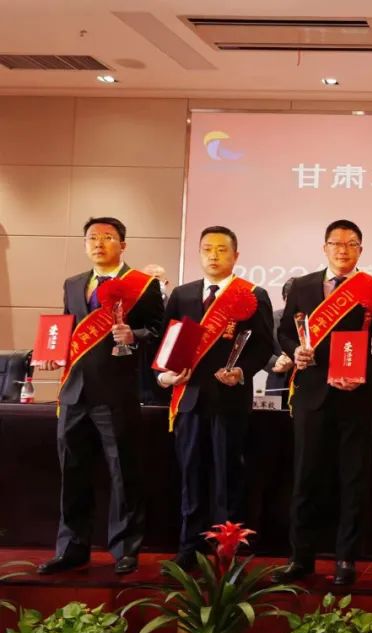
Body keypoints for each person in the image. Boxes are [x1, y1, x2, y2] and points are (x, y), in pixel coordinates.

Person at [272, 220, 372, 586]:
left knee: (353, 478)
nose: (343, 250)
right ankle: (301, 558)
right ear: (324, 247)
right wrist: (294, 351)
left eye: (351, 244)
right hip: (312, 394)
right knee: (306, 477)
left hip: (356, 397)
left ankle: (346, 559)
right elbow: (284, 331)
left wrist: (365, 373)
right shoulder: (302, 285)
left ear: (361, 249)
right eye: (336, 243)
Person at [37, 216, 163, 575]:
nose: (98, 243)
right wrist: (52, 354)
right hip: (74, 392)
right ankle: (71, 548)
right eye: (92, 238)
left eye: (107, 237)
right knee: (73, 472)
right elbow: (65, 330)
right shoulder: (74, 284)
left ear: (123, 245)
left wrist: (135, 335)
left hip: (116, 392)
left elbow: (158, 330)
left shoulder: (143, 285)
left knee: (124, 472)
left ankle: (125, 549)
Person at [155, 226, 274, 571]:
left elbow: (263, 346)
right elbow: (165, 342)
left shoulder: (253, 294)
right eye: (207, 249)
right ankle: (188, 547)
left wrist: (242, 371)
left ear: (236, 255)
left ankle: (228, 547)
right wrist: (164, 375)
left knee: (228, 476)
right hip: (189, 399)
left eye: (222, 250)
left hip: (229, 399)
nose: (213, 255)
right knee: (190, 476)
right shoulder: (183, 294)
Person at [137, 264, 172, 406]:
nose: (151, 282)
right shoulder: (133, 305)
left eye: (156, 278)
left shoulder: (174, 304)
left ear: (166, 282)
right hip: (140, 363)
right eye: (147, 278)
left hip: (164, 366)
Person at [263, 277, 296, 400]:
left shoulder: (317, 320)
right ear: (284, 298)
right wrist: (276, 361)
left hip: (309, 387)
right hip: (277, 384)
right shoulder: (271, 319)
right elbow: (259, 350)